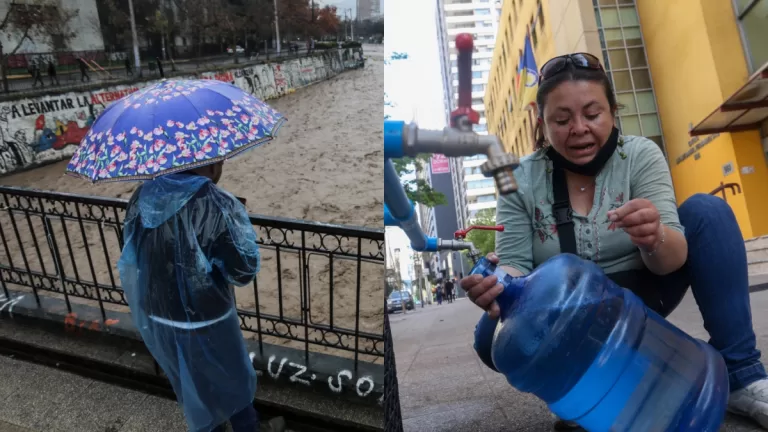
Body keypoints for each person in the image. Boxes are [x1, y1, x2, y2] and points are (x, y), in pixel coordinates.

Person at [460, 53, 768, 430]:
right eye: (562, 119)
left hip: (644, 291)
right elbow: (516, 265)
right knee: (491, 335)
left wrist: (654, 237)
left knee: (708, 212)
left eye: (593, 115)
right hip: (568, 313)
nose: (579, 129)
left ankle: (744, 375)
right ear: (542, 122)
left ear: (612, 112)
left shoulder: (639, 155)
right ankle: (575, 381)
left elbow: (670, 261)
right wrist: (496, 286)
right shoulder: (518, 178)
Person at [118, 162, 285, 432]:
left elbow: (133, 252)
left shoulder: (142, 195)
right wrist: (240, 227)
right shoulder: (217, 202)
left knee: (194, 385)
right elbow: (242, 271)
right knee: (232, 379)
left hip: (159, 315)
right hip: (208, 319)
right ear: (210, 162)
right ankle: (248, 428)